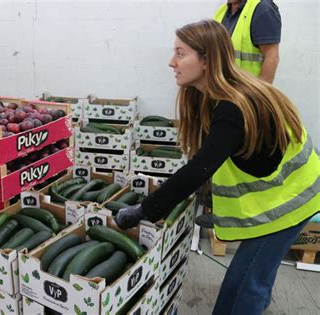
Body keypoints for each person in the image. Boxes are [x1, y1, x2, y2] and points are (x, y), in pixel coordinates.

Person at [115, 20, 318, 315]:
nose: (172, 62)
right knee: (256, 277)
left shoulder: (232, 107)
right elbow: (216, 159)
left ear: (206, 60)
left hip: (291, 202)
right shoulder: (212, 96)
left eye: (180, 53)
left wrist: (143, 211)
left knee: (242, 288)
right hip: (287, 194)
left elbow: (199, 169)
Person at [214, 0, 281, 82]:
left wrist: (258, 93)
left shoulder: (262, 9)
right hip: (221, 88)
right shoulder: (222, 10)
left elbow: (272, 57)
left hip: (247, 90)